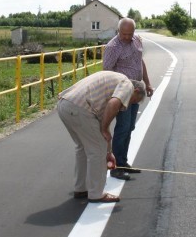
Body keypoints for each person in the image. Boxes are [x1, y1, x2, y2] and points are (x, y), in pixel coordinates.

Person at [57, 70, 146, 203]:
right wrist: (104, 132)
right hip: (81, 109)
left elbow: (102, 125)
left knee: (83, 148)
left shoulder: (113, 80)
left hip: (65, 105)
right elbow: (113, 104)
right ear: (136, 90)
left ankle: (81, 188)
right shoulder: (127, 84)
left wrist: (109, 151)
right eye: (133, 101)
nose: (128, 105)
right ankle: (96, 193)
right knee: (97, 151)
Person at [102, 17, 154, 180]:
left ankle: (123, 162)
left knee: (130, 126)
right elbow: (107, 71)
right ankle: (116, 167)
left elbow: (140, 62)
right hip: (123, 92)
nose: (127, 37)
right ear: (118, 31)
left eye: (130, 34)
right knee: (123, 127)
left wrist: (147, 83)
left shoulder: (137, 40)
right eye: (124, 34)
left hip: (136, 91)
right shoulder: (113, 46)